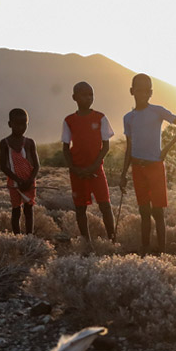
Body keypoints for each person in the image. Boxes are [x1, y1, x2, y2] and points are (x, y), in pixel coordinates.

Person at [119, 73, 176, 255]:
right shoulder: (128, 118)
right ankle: (144, 251)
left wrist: (166, 149)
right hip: (137, 168)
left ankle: (162, 253)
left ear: (151, 92)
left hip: (155, 167)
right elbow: (130, 147)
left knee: (157, 213)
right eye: (138, 90)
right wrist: (123, 174)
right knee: (143, 212)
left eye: (146, 90)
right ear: (131, 91)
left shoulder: (158, 111)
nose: (142, 94)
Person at [62, 81, 116, 246]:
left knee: (105, 205)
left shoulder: (100, 118)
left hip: (96, 170)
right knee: (80, 208)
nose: (88, 98)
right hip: (77, 172)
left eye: (90, 94)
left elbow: (106, 146)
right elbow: (65, 147)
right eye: (84, 94)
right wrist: (74, 168)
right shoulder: (69, 120)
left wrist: (94, 166)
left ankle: (112, 239)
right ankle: (86, 242)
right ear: (74, 97)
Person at [0, 108, 39, 235]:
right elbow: (3, 166)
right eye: (17, 124)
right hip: (14, 183)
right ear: (10, 124)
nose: (21, 127)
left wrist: (29, 181)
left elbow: (37, 166)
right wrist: (18, 180)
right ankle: (17, 237)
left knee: (28, 209)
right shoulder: (4, 143)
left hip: (29, 182)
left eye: (24, 123)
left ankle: (29, 237)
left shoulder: (30, 142)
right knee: (16, 210)